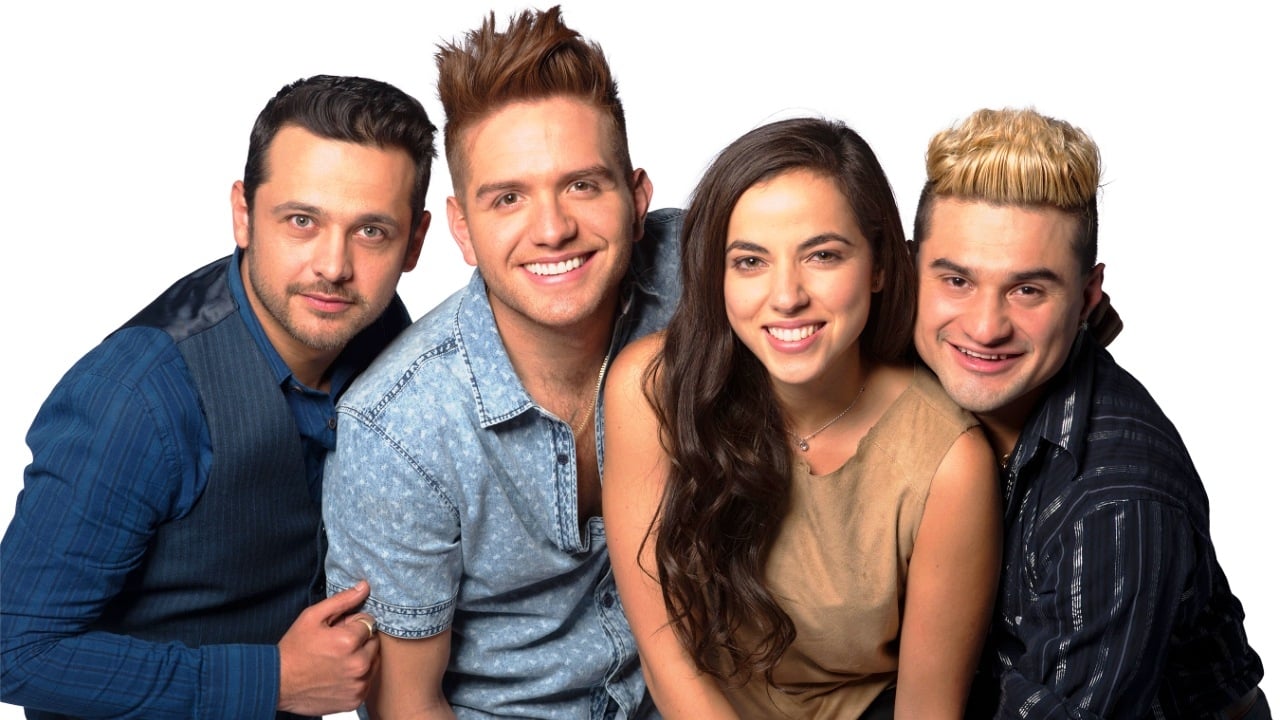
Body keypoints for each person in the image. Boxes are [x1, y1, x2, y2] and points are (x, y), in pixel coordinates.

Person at [0, 74, 436, 719]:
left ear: (415, 241)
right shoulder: (137, 398)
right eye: (301, 221)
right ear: (243, 214)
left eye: (371, 231)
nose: (333, 267)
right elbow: (15, 650)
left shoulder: (383, 334)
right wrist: (271, 681)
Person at [321, 7, 680, 719]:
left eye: (582, 185)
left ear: (638, 198)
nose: (552, 229)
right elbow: (406, 708)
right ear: (462, 227)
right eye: (508, 198)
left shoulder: (705, 276)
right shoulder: (398, 429)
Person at [602, 116, 1002, 719]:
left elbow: (927, 709)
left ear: (879, 265)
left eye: (822, 255)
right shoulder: (651, 389)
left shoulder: (949, 461)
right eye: (750, 262)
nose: (787, 296)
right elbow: (666, 659)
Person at [911, 107, 1269, 719]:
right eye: (957, 281)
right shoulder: (910, 351)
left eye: (1028, 290)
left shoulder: (1115, 508)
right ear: (909, 271)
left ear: (1085, 297)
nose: (985, 327)